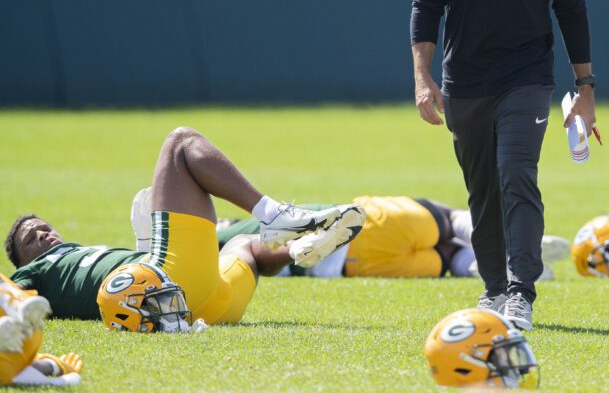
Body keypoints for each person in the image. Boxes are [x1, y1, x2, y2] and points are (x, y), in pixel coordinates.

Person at [410, 0, 596, 331]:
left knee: (517, 173)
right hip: (465, 80)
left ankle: (520, 292)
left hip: (527, 77)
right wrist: (423, 78)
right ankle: (493, 289)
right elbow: (426, 5)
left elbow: (572, 10)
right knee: (482, 189)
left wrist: (585, 88)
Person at [4, 127, 363, 324]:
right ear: (24, 262)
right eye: (31, 238)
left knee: (246, 247)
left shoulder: (78, 255)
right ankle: (272, 213)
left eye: (44, 226)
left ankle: (298, 250)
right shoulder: (33, 276)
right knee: (179, 143)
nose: (43, 233)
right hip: (169, 288)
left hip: (214, 306)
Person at [211, 196, 573, 279]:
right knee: (446, 219)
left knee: (446, 258)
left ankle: (486, 266)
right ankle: (514, 248)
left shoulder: (231, 258)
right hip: (364, 225)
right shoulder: (232, 231)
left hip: (350, 268)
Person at [1, 273, 83, 386]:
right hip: (22, 337)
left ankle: (17, 306)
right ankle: (17, 304)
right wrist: (55, 365)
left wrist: (55, 366)